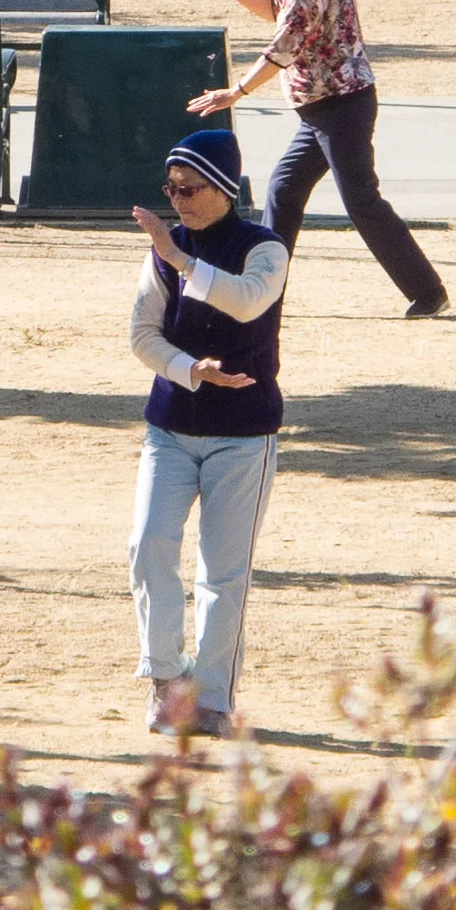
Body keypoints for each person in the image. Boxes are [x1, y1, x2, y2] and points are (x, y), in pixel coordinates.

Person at [188, 0, 449, 319]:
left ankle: (427, 290)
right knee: (284, 192)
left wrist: (235, 92)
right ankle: (262, 292)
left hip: (340, 107)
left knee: (361, 201)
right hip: (325, 109)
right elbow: (279, 11)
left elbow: (283, 46)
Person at [125, 128, 288, 740]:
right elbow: (143, 336)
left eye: (189, 187)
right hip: (169, 427)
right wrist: (190, 370)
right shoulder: (166, 250)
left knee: (223, 573)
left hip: (245, 436)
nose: (178, 199)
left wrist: (183, 260)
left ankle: (213, 698)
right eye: (170, 188)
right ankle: (167, 681)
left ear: (223, 188)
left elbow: (248, 302)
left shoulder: (263, 247)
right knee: (147, 546)